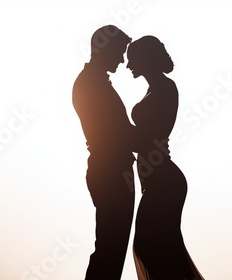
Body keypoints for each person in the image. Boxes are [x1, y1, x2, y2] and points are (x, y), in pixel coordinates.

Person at [126, 35, 204, 280]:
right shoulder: (154, 89)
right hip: (156, 180)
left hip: (164, 181)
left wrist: (113, 132)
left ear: (145, 59)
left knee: (151, 248)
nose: (128, 66)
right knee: (156, 249)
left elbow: (149, 137)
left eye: (132, 60)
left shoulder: (165, 88)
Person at [72, 25, 135, 279]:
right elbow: (116, 134)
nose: (122, 59)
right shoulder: (90, 84)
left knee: (111, 248)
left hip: (111, 169)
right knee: (110, 249)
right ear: (103, 49)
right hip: (111, 171)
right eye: (119, 52)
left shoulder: (94, 82)